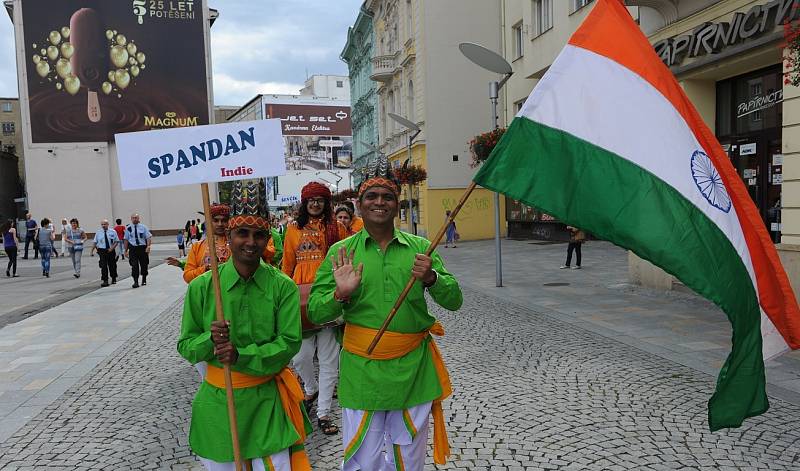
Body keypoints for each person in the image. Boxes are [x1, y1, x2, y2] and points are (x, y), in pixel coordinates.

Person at [308, 164, 463, 470]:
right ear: (359, 205)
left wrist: (432, 278)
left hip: (413, 372)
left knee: (409, 456)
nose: (379, 202)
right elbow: (315, 312)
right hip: (362, 373)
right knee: (362, 457)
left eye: (387, 197)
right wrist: (340, 294)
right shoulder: (341, 253)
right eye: (372, 196)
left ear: (397, 204)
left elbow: (454, 300)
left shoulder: (421, 249)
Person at [177, 180, 311, 470]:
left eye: (259, 235)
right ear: (229, 233)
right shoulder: (202, 287)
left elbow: (289, 343)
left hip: (267, 403)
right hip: (218, 406)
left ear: (267, 238)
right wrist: (209, 340)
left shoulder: (283, 287)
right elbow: (186, 348)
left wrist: (241, 356)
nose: (251, 242)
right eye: (242, 233)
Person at [282, 182, 347, 436]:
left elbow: (345, 263)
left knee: (330, 360)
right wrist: (283, 301)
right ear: (304, 203)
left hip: (328, 297)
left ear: (326, 202)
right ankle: (311, 388)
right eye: (311, 200)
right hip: (300, 302)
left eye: (320, 199)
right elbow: (286, 267)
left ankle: (323, 413)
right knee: (301, 356)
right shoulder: (292, 230)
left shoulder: (338, 229)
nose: (316, 204)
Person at [124, 213, 152, 288]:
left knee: (144, 264)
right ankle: (135, 281)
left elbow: (148, 237)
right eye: (133, 218)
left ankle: (144, 279)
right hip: (133, 249)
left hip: (142, 248)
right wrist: (125, 250)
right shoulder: (128, 228)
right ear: (131, 219)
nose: (134, 219)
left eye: (136, 218)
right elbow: (126, 239)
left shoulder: (143, 227)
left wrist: (148, 246)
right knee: (134, 265)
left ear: (139, 218)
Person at [93, 219, 119, 287]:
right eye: (102, 224)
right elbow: (95, 242)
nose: (103, 225)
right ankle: (105, 280)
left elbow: (116, 241)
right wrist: (95, 249)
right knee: (103, 266)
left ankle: (113, 278)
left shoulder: (113, 232)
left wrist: (111, 248)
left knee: (112, 265)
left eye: (105, 224)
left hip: (110, 250)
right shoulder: (98, 232)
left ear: (108, 224)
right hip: (102, 250)